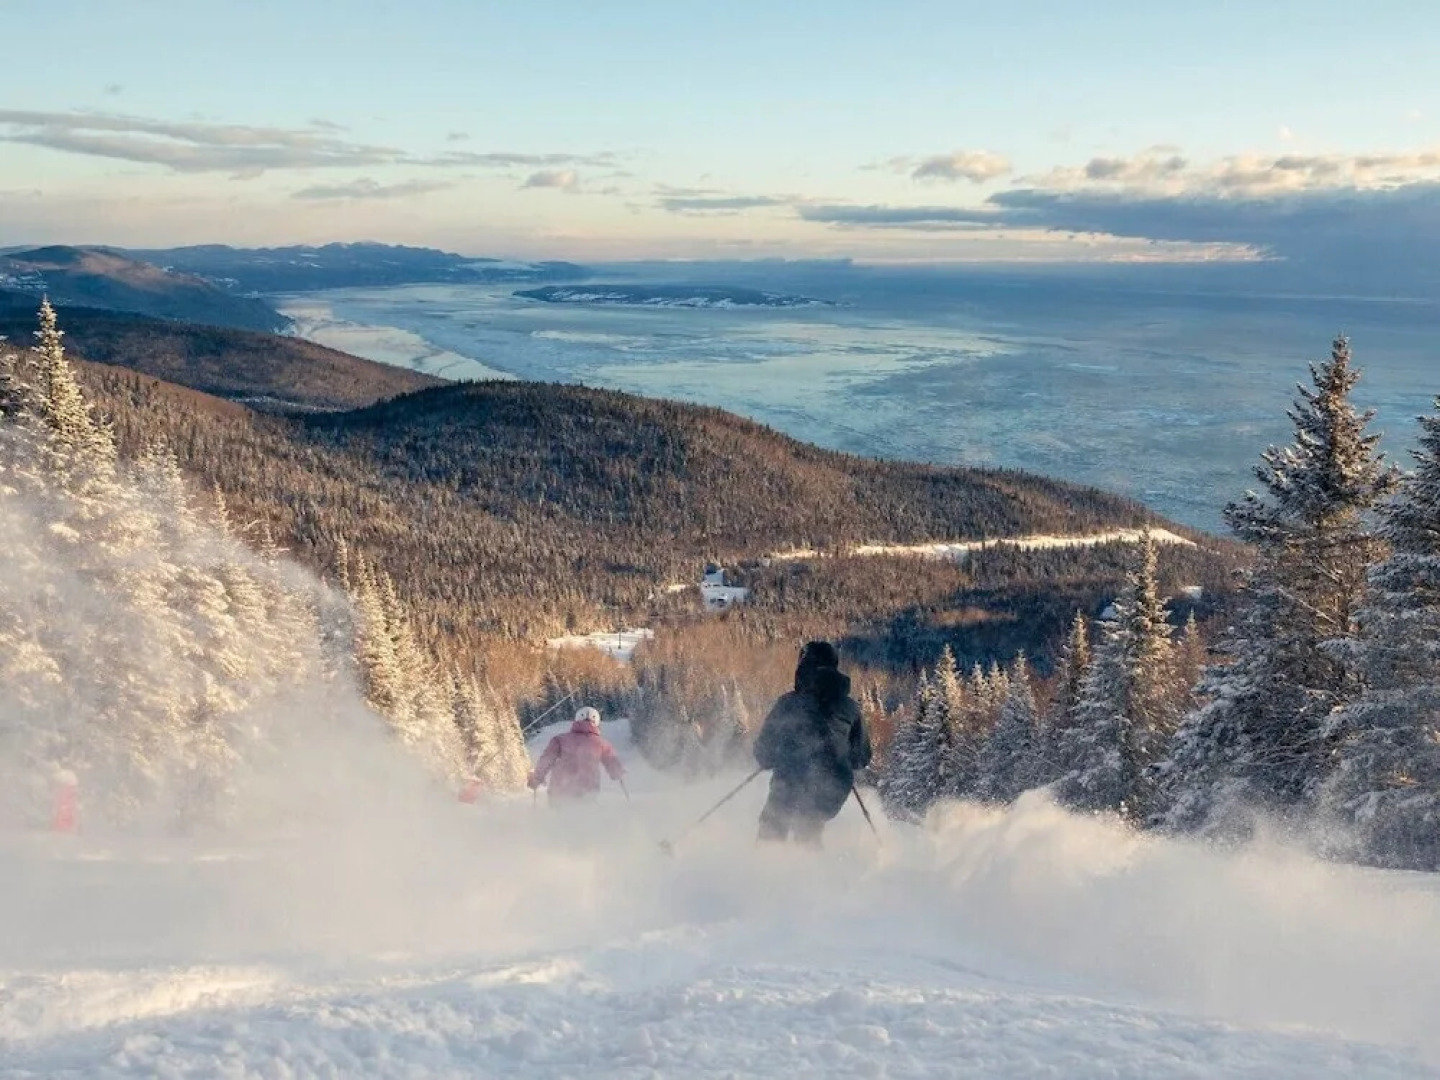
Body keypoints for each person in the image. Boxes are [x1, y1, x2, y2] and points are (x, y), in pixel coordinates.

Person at [753, 641, 871, 845]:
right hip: (833, 789)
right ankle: (811, 868)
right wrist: (840, 754)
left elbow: (764, 754)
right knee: (809, 826)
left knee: (773, 824)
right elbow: (861, 758)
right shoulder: (850, 708)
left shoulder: (788, 703)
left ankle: (765, 863)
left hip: (790, 784)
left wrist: (778, 755)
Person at [528, 706, 626, 803]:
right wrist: (618, 774)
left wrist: (537, 778)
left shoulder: (559, 740)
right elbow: (614, 765)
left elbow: (546, 760)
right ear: (597, 722)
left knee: (559, 817)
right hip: (587, 793)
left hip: (559, 791)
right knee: (583, 817)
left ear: (576, 719)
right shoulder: (602, 744)